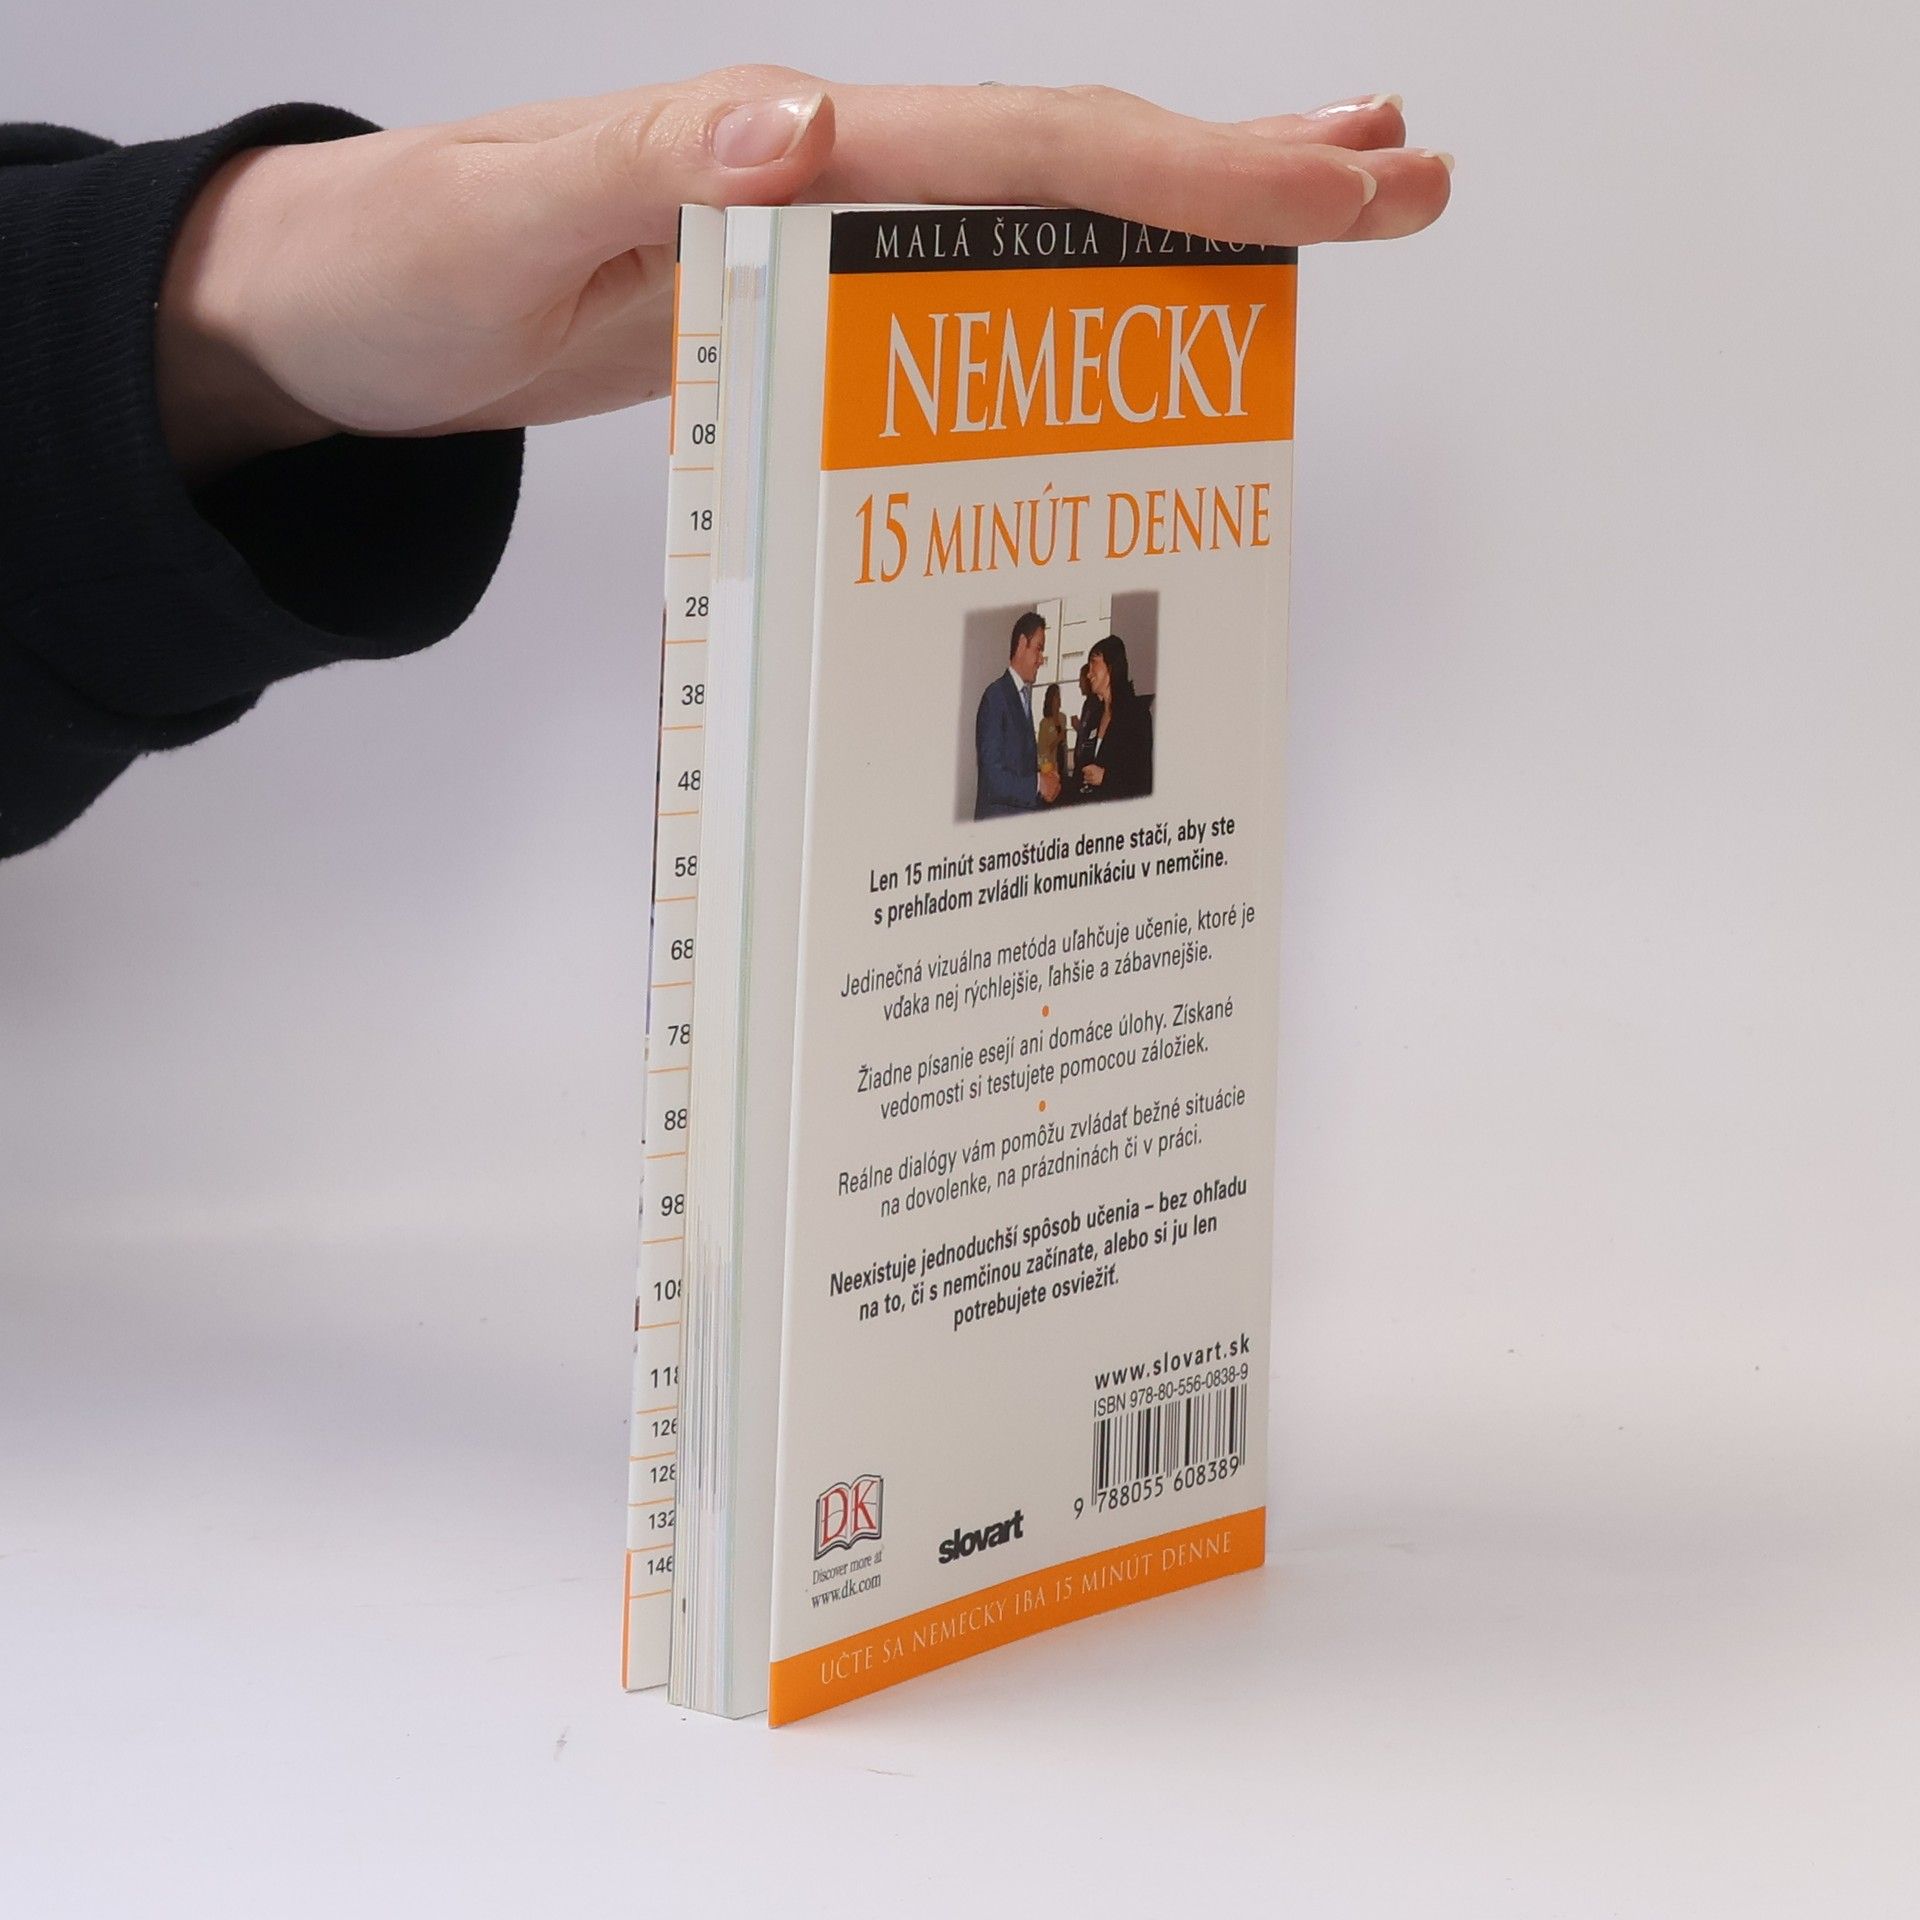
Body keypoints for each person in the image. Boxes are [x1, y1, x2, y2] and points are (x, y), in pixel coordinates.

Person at [0, 71, 1451, 858]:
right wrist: (202, 315)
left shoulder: (1099, 727)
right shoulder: (1000, 722)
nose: (1064, 664)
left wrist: (213, 336)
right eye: (1054, 654)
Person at [975, 612, 1059, 818]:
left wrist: (1044, 778)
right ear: (1022, 644)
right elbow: (993, 780)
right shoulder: (995, 697)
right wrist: (1039, 784)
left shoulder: (1022, 697)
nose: (1041, 660)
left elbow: (1017, 764)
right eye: (1038, 648)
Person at [1076, 634, 1153, 803]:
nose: (1089, 674)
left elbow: (1144, 779)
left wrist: (1106, 778)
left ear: (1110, 666)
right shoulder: (1095, 716)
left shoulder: (1136, 714)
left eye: (1093, 663)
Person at [1035, 682, 1068, 802]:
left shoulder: (1063, 717)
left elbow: (1064, 744)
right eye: (1056, 697)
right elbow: (1042, 751)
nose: (1059, 700)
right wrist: (1058, 739)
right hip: (1050, 769)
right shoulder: (1044, 723)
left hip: (1062, 765)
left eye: (1059, 696)